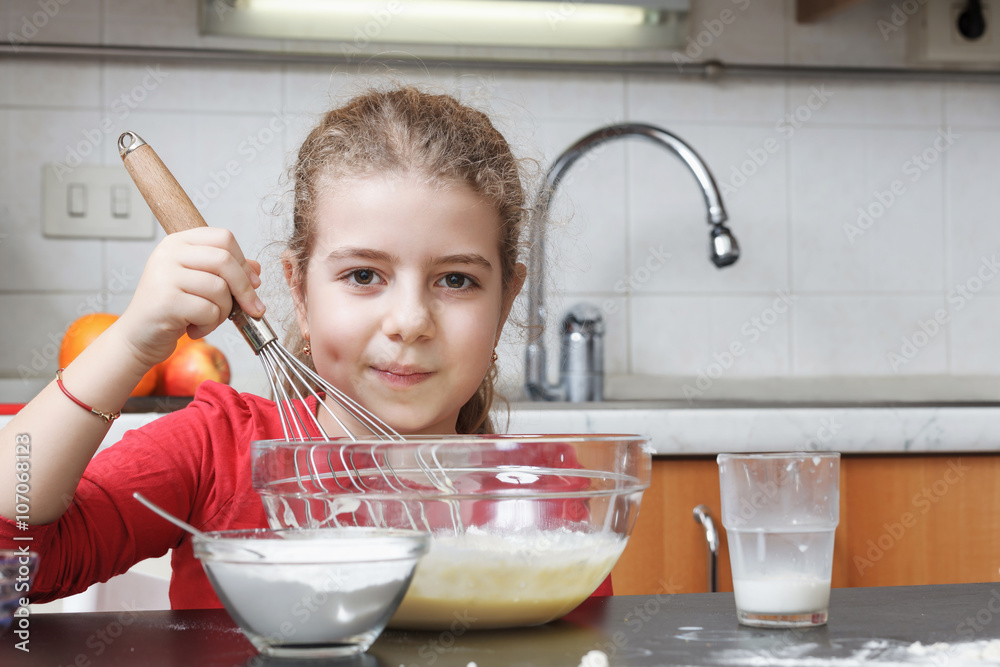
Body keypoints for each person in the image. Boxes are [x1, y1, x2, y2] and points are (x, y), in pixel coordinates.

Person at [0, 85, 612, 609]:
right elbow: (16, 566)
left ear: (506, 299)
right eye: (364, 276)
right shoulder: (218, 451)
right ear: (298, 290)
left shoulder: (541, 492)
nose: (409, 321)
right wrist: (131, 342)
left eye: (456, 280)